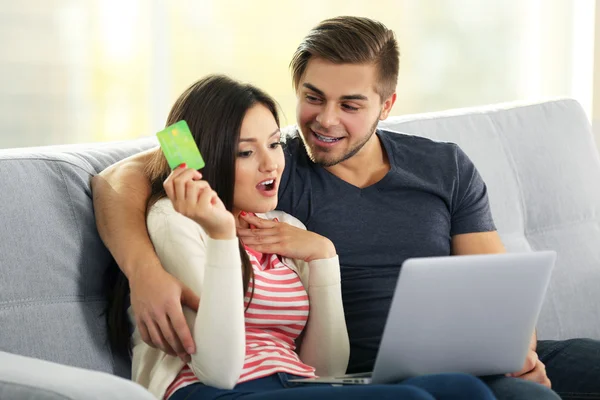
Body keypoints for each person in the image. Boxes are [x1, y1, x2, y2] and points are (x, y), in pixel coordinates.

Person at [92, 16, 600, 400]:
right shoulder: (269, 173)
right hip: (357, 374)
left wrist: (520, 350)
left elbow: (500, 288)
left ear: (388, 103)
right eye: (312, 97)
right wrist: (143, 270)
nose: (325, 121)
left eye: (351, 105)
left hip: (470, 358)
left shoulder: (443, 166)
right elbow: (132, 173)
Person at [105, 74, 498, 400]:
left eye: (275, 144)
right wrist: (222, 235)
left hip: (292, 385)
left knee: (466, 390)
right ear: (201, 160)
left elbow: (326, 370)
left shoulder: (284, 225)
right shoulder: (175, 220)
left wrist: (325, 257)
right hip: (214, 392)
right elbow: (218, 369)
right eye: (245, 152)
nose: (271, 163)